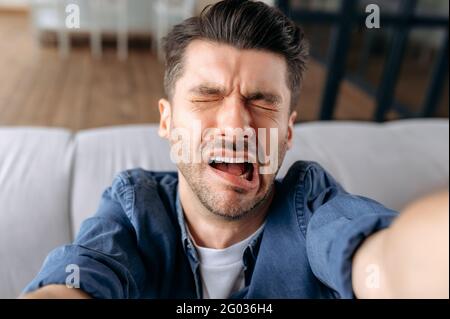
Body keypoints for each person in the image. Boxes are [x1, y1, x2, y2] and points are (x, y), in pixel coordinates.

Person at [22, 0, 448, 299]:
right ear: (167, 122)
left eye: (262, 101)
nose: (235, 124)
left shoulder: (313, 208)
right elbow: (79, 279)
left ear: (286, 133)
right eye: (207, 96)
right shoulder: (134, 208)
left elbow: (387, 263)